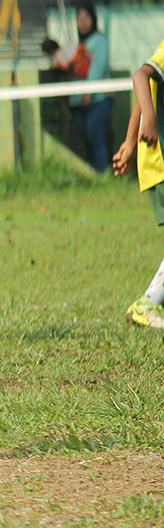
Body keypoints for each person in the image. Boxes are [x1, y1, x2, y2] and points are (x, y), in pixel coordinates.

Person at [112, 37, 164, 329]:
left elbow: (149, 89)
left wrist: (130, 141)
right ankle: (147, 303)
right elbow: (140, 77)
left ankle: (147, 302)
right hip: (160, 161)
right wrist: (151, 122)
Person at [69, 0, 113, 173]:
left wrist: (88, 92)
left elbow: (97, 67)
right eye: (80, 18)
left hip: (98, 99)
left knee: (96, 137)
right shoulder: (77, 45)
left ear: (93, 19)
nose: (83, 22)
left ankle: (101, 175)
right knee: (87, 139)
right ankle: (91, 175)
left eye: (86, 18)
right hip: (78, 101)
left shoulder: (100, 41)